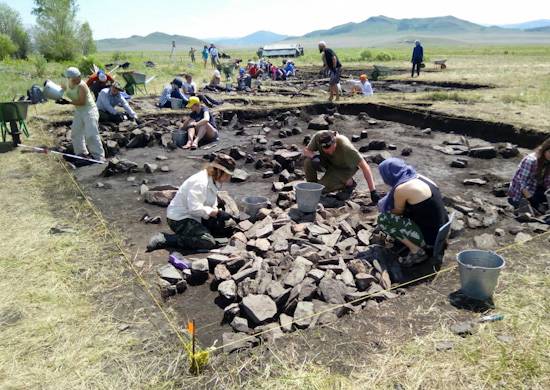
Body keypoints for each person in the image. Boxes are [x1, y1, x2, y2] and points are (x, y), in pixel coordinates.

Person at [146, 154, 236, 252]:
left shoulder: (215, 180)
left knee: (224, 229)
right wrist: (217, 213)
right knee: (207, 242)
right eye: (227, 175)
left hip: (197, 216)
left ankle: (200, 232)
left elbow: (210, 200)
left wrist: (217, 211)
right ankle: (166, 239)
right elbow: (194, 209)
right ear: (219, 171)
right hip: (180, 219)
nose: (228, 178)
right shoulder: (200, 182)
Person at [377, 158, 449, 266]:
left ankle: (417, 251)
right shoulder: (419, 177)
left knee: (384, 220)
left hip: (430, 239)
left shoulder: (401, 189)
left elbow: (397, 213)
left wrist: (385, 208)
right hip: (443, 230)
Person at [303, 130, 379, 200]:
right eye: (326, 150)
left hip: (344, 169)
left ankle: (349, 183)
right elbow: (306, 151)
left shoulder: (346, 147)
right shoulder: (319, 137)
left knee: (322, 189)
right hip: (329, 162)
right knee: (308, 161)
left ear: (335, 141)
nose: (329, 152)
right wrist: (315, 157)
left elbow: (365, 167)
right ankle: (311, 186)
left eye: (331, 149)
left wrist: (373, 191)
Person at [58, 67, 105, 161]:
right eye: (75, 78)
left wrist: (67, 102)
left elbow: (82, 102)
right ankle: (81, 154)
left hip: (89, 110)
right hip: (79, 111)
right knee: (76, 133)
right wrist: (57, 96)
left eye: (79, 77)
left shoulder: (82, 86)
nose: (78, 79)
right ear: (70, 78)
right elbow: (61, 90)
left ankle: (98, 157)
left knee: (91, 134)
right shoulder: (67, 84)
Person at [508, 138, 550, 213]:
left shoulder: (547, 161)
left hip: (535, 188)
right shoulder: (531, 161)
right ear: (544, 149)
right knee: (535, 210)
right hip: (520, 195)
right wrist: (534, 202)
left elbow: (547, 181)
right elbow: (522, 184)